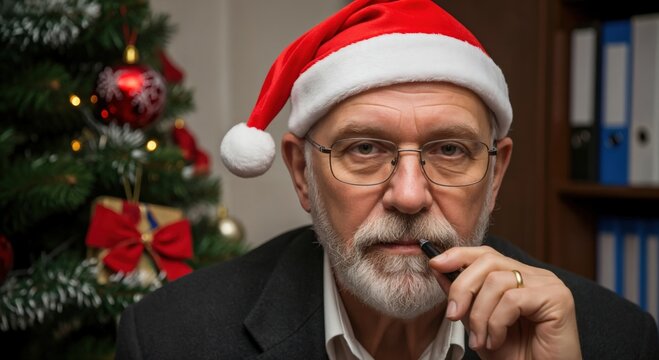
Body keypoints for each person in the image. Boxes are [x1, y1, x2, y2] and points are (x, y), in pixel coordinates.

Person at [115, 1, 659, 359]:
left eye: (449, 150)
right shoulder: (171, 339)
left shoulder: (614, 340)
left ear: (495, 175)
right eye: (365, 149)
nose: (409, 195)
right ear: (302, 174)